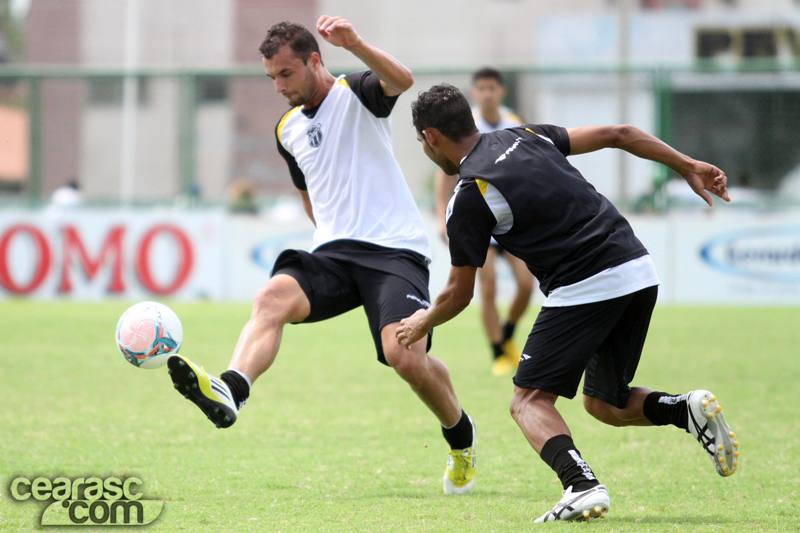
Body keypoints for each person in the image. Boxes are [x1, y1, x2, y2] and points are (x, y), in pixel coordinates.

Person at [397, 83, 738, 521]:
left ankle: (581, 486)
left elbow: (459, 293)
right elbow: (619, 132)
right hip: (636, 267)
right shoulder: (525, 135)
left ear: (430, 138)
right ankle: (685, 409)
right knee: (606, 403)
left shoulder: (470, 194)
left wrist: (421, 321)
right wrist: (687, 165)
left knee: (528, 401)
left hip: (585, 283)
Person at [166, 18, 477, 495]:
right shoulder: (286, 128)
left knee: (406, 358)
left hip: (394, 251)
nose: (278, 86)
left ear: (315, 61)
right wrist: (329, 231)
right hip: (334, 253)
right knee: (272, 296)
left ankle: (461, 437)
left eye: (286, 74)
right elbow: (307, 191)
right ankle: (233, 388)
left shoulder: (357, 92)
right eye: (271, 77)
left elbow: (403, 81)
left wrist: (354, 44)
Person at [433, 68, 534, 376]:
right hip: (480, 218)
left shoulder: (513, 123)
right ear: (474, 93)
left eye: (492, 88)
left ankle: (507, 335)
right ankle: (498, 354)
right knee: (487, 288)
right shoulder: (466, 126)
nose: (487, 93)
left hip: (511, 216)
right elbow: (446, 172)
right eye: (481, 88)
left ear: (500, 91)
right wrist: (440, 216)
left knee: (527, 285)